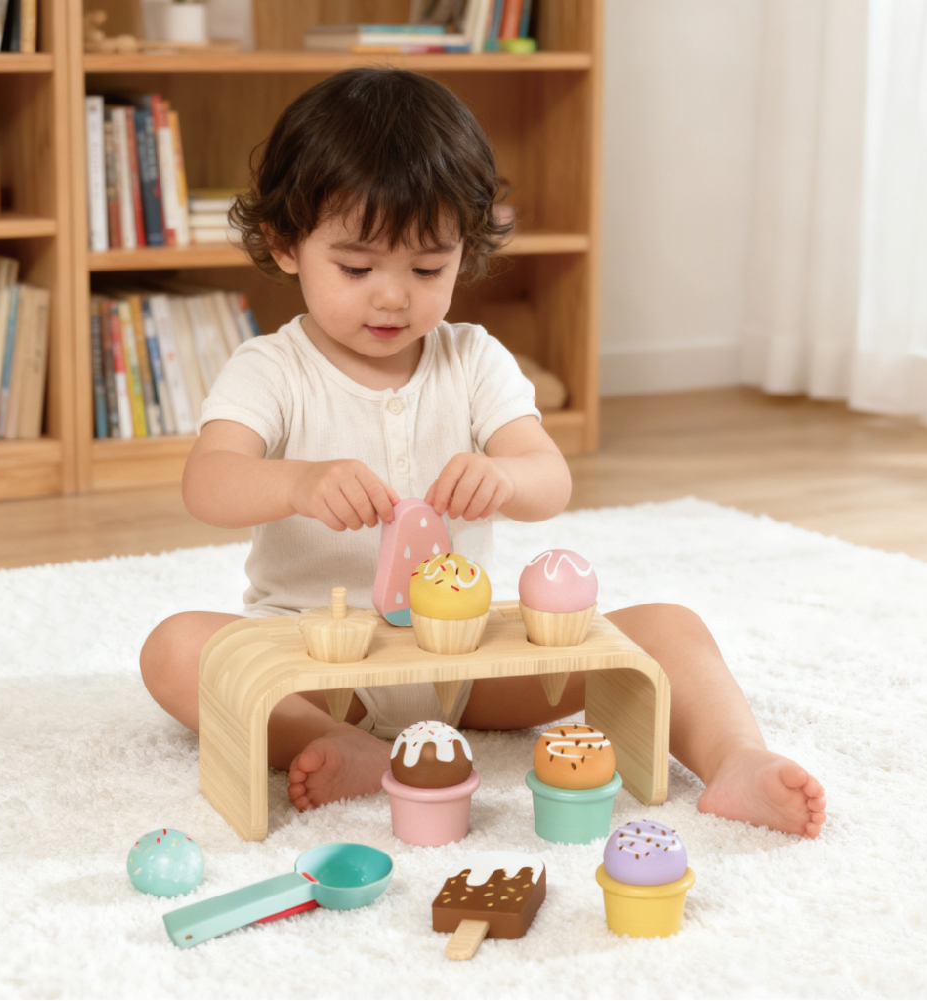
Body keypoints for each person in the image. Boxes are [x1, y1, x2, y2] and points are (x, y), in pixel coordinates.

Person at [140, 68, 826, 839]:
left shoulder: (472, 359)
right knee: (175, 648)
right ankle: (336, 741)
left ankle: (735, 758)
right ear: (285, 244)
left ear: (464, 250)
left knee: (668, 626)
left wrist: (502, 474)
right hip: (317, 661)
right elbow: (209, 482)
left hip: (466, 659)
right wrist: (297, 483)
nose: (393, 296)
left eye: (427, 268)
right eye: (357, 268)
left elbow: (548, 480)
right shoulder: (270, 367)